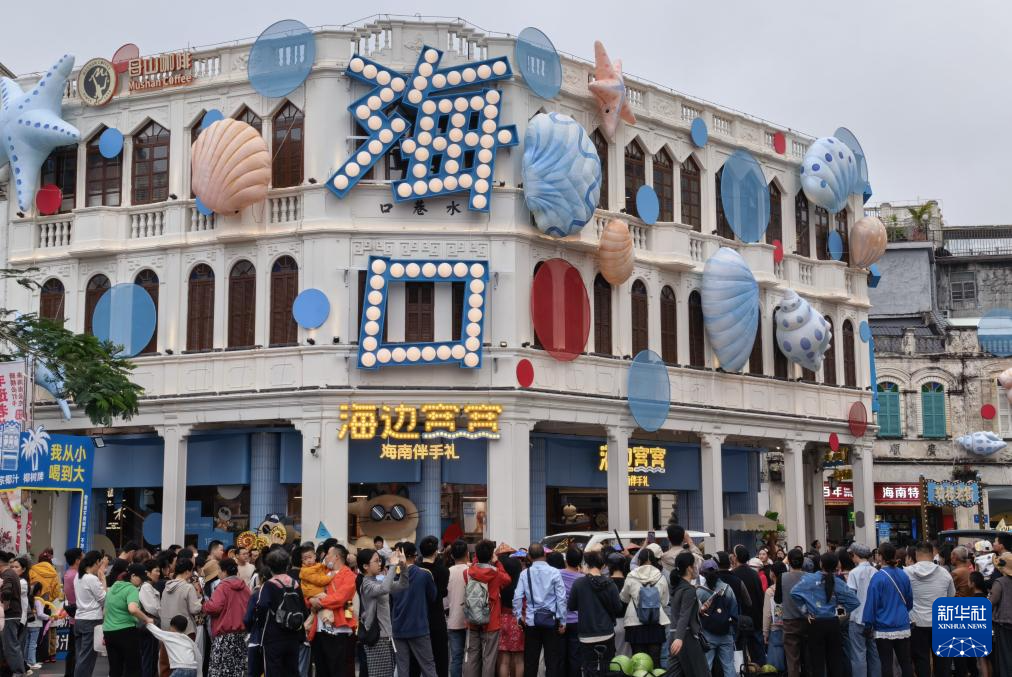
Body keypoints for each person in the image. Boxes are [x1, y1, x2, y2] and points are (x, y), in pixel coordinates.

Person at [789, 552, 859, 677]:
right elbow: (854, 601)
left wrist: (806, 612)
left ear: (821, 564)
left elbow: (794, 593)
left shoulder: (809, 579)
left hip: (815, 622)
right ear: (836, 565)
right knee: (835, 660)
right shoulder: (838, 582)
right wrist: (839, 612)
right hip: (833, 622)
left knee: (817, 662)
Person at [513, 543, 567, 676]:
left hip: (531, 621)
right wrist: (562, 620)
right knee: (552, 661)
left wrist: (519, 616)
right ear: (544, 554)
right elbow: (561, 598)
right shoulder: (554, 572)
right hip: (551, 621)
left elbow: (517, 597)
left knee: (531, 662)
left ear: (529, 557)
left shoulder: (525, 574)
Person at [565, 549, 621, 675]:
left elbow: (571, 606)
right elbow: (618, 608)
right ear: (603, 565)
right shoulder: (610, 583)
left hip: (586, 634)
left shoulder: (578, 583)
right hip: (607, 632)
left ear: (587, 564)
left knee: (589, 668)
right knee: (607, 668)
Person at [251, 548, 307, 675]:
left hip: (273, 636)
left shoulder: (269, 585)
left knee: (273, 671)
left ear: (269, 566)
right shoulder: (295, 583)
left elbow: (262, 607)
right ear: (287, 565)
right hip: (293, 636)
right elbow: (303, 609)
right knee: (292, 671)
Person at [862, 543, 913, 677]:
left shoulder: (878, 577)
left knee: (886, 663)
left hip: (883, 626)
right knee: (906, 662)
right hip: (902, 625)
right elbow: (909, 601)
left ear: (880, 556)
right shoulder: (903, 574)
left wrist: (868, 623)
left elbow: (872, 603)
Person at [904, 541, 954, 677]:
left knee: (921, 660)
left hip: (916, 622)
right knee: (942, 662)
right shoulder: (945, 573)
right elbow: (951, 596)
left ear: (916, 554)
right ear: (932, 555)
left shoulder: (906, 573)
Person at [389, 541, 438, 676]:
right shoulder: (424, 574)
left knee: (402, 668)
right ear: (415, 556)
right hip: (419, 626)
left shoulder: (393, 576)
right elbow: (433, 596)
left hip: (398, 627)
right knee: (428, 666)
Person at [308, 544, 357, 675]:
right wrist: (310, 600)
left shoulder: (349, 575)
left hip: (338, 629)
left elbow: (340, 598)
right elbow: (309, 591)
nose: (325, 557)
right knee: (321, 670)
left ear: (336, 557)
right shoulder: (323, 573)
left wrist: (318, 602)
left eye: (328, 554)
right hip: (318, 628)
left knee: (337, 670)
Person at [357, 547, 407, 677]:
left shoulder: (378, 580)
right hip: (377, 637)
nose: (379, 564)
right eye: (376, 561)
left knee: (388, 673)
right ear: (365, 566)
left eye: (380, 560)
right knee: (380, 674)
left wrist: (403, 566)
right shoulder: (366, 584)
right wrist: (392, 566)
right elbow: (385, 588)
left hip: (386, 635)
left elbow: (403, 585)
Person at [619, 547, 668, 667]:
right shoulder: (661, 577)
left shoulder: (631, 576)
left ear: (639, 561)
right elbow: (664, 602)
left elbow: (623, 598)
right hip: (656, 622)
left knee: (638, 662)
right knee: (655, 661)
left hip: (635, 623)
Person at [103, 563, 153, 677]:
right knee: (133, 668)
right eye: (141, 579)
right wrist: (147, 619)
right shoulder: (131, 589)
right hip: (126, 631)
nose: (142, 582)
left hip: (109, 631)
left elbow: (105, 611)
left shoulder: (114, 586)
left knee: (115, 669)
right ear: (133, 576)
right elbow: (133, 609)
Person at [203, 557, 250, 677]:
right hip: (242, 636)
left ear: (224, 571)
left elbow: (214, 607)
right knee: (238, 670)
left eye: (219, 570)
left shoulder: (223, 586)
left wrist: (205, 605)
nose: (218, 573)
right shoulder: (245, 586)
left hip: (225, 636)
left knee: (221, 670)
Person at [667, 551, 708, 677]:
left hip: (674, 634)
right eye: (694, 565)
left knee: (674, 674)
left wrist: (698, 610)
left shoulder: (676, 587)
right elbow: (684, 615)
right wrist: (679, 638)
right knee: (701, 673)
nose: (696, 568)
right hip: (686, 637)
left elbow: (680, 612)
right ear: (689, 568)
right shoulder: (688, 590)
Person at [696, 558, 737, 677]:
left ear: (703, 574)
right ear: (717, 572)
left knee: (707, 666)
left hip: (707, 634)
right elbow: (734, 611)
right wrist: (732, 629)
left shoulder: (700, 592)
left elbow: (697, 614)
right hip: (726, 632)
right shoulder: (727, 589)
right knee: (729, 666)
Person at [846, 543, 880, 677]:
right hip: (874, 619)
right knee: (875, 654)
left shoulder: (854, 573)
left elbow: (851, 597)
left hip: (857, 618)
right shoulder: (876, 571)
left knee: (858, 655)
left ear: (855, 555)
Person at [418, 535, 450, 677]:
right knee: (440, 657)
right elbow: (442, 593)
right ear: (436, 551)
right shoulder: (443, 571)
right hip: (437, 617)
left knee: (420, 659)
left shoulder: (416, 570)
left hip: (419, 617)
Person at [73, 550, 107, 677]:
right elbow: (104, 599)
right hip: (92, 620)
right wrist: (103, 580)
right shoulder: (92, 578)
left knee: (81, 656)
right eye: (101, 563)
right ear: (97, 562)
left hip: (79, 619)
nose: (100, 567)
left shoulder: (78, 576)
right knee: (87, 658)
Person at [732, 545, 766, 665]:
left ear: (736, 557)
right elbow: (760, 596)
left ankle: (742, 670)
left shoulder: (733, 575)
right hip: (755, 616)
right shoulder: (754, 574)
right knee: (758, 648)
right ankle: (762, 670)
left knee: (738, 650)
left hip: (739, 618)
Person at [496, 545, 524, 677]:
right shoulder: (521, 586)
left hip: (502, 619)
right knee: (519, 659)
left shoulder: (500, 585)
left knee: (503, 659)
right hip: (518, 621)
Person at [780, 548, 807, 677]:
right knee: (808, 657)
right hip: (808, 620)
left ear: (789, 562)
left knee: (792, 659)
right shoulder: (809, 577)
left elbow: (777, 598)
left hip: (789, 620)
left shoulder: (782, 577)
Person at [446, 539, 470, 677]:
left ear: (452, 556)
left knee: (456, 658)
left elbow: (444, 602)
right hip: (472, 620)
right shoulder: (471, 571)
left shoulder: (447, 572)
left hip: (453, 620)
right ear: (467, 554)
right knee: (472, 658)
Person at [558, 547, 583, 677]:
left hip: (560, 621)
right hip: (577, 621)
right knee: (575, 656)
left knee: (560, 656)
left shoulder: (557, 574)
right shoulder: (582, 578)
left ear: (566, 560)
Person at [138, 560, 162, 677]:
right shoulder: (146, 587)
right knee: (149, 658)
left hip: (148, 626)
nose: (158, 573)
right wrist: (162, 611)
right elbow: (152, 608)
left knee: (149, 657)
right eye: (156, 571)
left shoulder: (147, 586)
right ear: (147, 573)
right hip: (150, 625)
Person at [762, 561, 787, 673]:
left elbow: (767, 614)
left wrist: (765, 632)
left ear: (772, 574)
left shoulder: (770, 591)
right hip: (790, 627)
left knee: (775, 667)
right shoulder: (790, 588)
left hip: (775, 629)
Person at [62, 548, 83, 677]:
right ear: (77, 560)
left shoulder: (68, 574)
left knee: (73, 650)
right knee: (76, 650)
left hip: (73, 615)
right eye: (83, 557)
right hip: (79, 616)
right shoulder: (76, 575)